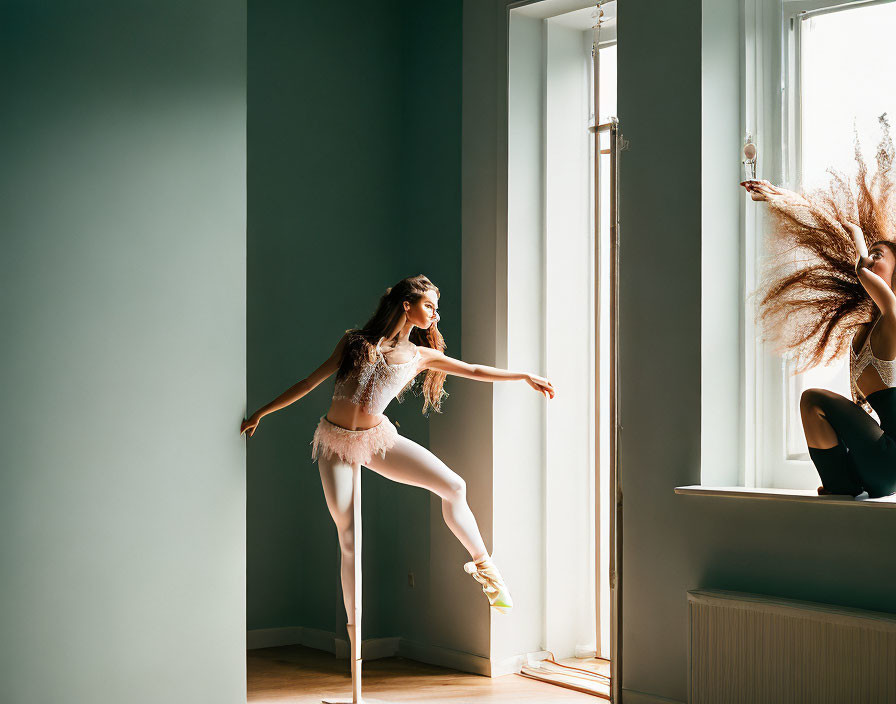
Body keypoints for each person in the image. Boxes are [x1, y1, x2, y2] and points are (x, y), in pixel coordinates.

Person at [240, 274, 555, 630]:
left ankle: (485, 567)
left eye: (437, 309)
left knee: (454, 486)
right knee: (349, 536)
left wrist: (524, 376)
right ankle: (353, 629)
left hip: (377, 441)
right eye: (430, 306)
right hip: (336, 444)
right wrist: (261, 413)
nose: (435, 315)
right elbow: (309, 382)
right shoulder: (354, 342)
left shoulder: (420, 356)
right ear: (407, 305)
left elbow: (473, 369)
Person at [741, 124, 896, 498]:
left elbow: (858, 265)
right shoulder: (862, 334)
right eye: (869, 253)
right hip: (878, 464)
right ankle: (841, 484)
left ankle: (844, 482)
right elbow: (834, 229)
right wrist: (782, 199)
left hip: (892, 459)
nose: (869, 260)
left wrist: (859, 242)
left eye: (880, 256)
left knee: (812, 397)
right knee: (812, 407)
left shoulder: (894, 316)